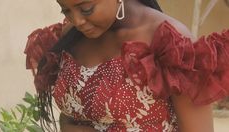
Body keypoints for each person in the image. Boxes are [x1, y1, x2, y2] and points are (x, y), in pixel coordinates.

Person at [24, 0, 229, 131]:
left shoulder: (169, 43)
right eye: (66, 10)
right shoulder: (70, 37)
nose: (77, 20)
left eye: (86, 9)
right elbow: (72, 115)